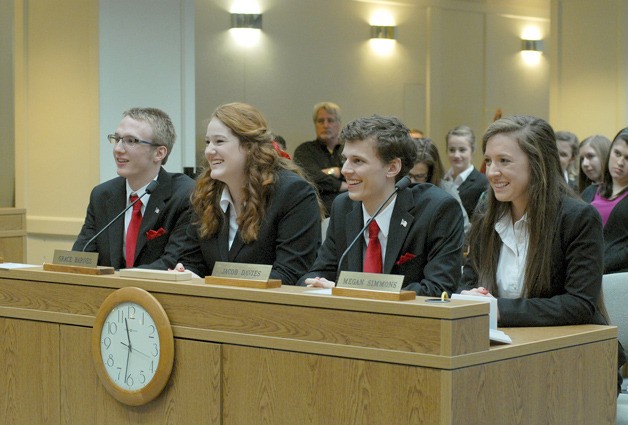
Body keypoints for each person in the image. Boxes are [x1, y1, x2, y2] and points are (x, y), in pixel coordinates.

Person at [459, 115, 625, 394]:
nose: (492, 171)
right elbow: (468, 282)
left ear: (536, 164)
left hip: (575, 362)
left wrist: (499, 309)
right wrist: (469, 297)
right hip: (500, 356)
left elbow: (579, 304)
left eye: (504, 161)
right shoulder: (485, 215)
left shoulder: (578, 217)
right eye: (489, 160)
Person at [299, 115, 464, 296]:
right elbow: (319, 272)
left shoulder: (437, 210)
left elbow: (438, 289)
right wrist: (315, 284)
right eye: (345, 159)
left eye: (358, 161)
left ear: (392, 168)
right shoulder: (343, 206)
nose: (345, 169)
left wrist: (354, 292)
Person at [175, 102, 321, 285]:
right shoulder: (206, 193)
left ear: (249, 146)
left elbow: (290, 273)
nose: (209, 151)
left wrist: (221, 286)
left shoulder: (293, 193)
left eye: (219, 141)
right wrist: (185, 273)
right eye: (207, 142)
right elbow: (192, 261)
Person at [73, 107, 195, 270]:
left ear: (159, 153)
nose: (118, 149)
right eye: (117, 139)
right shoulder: (102, 195)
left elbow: (172, 263)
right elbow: (82, 257)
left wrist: (120, 280)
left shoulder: (185, 195)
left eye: (131, 141)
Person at [582, 128, 628, 274]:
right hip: (582, 271)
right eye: (617, 153)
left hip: (616, 277)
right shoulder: (590, 191)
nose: (620, 162)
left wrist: (598, 264)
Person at [293, 102, 347, 216]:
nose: (325, 125)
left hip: (349, 211)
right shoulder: (304, 150)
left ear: (339, 124)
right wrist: (342, 185)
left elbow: (359, 173)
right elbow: (310, 177)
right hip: (317, 214)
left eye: (330, 120)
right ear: (315, 124)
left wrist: (334, 171)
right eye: (320, 121)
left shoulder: (349, 149)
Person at [409, 137, 469, 234]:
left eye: (419, 176)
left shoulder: (447, 191)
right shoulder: (397, 188)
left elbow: (464, 229)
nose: (411, 181)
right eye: (408, 175)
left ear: (431, 174)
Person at [443, 125, 488, 219]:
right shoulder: (441, 180)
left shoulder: (483, 183)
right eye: (452, 150)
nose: (456, 155)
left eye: (462, 150)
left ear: (473, 150)